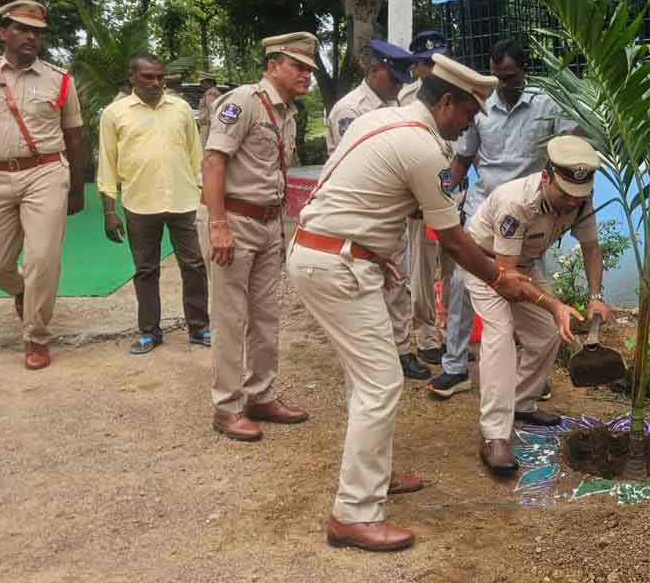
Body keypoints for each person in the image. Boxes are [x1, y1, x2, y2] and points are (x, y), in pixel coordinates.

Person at [287, 54, 566, 552]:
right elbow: (455, 243)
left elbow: (357, 193)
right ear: (446, 102)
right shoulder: (425, 148)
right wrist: (504, 279)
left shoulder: (381, 119)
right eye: (468, 113)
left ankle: (375, 473)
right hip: (337, 264)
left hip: (333, 253)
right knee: (381, 382)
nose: (472, 124)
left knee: (367, 379)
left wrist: (372, 249)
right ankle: (353, 513)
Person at [428, 38, 578, 400]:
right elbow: (462, 160)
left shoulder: (547, 104)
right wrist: (442, 193)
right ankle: (456, 367)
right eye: (497, 77)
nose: (503, 85)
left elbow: (575, 140)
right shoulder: (480, 107)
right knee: (465, 287)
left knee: (530, 291)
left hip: (530, 214)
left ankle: (532, 377)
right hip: (485, 212)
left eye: (509, 77)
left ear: (524, 71)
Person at [466, 136, 609, 472]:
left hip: (525, 266)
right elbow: (505, 276)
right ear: (546, 178)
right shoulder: (517, 203)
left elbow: (591, 248)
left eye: (578, 197)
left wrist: (595, 296)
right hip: (486, 265)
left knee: (546, 334)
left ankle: (522, 403)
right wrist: (555, 304)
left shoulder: (580, 200)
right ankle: (495, 436)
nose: (570, 204)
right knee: (500, 337)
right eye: (564, 195)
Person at [201, 32, 316, 441]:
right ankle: (226, 407)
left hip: (269, 223)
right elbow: (213, 161)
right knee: (231, 317)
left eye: (309, 69)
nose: (306, 75)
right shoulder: (243, 102)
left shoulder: (289, 113)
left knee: (267, 314)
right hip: (234, 219)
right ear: (272, 66)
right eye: (298, 66)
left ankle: (260, 395)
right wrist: (217, 225)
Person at [0, 0, 87, 371]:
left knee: (42, 257)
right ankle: (21, 291)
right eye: (22, 28)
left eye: (37, 31)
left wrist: (78, 189)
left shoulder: (59, 79)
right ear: (4, 32)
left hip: (46, 173)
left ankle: (35, 335)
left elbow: (76, 137)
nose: (32, 36)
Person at [324, 40, 437, 380]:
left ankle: (401, 350)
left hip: (389, 211)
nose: (399, 86)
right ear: (374, 71)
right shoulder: (350, 110)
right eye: (393, 79)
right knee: (363, 283)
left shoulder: (395, 104)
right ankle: (371, 353)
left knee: (395, 281)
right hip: (358, 214)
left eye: (403, 80)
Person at [97, 53, 209, 354]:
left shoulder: (182, 109)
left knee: (195, 265)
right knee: (146, 269)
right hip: (139, 204)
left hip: (183, 201)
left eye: (159, 76)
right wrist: (109, 211)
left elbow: (195, 157)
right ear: (132, 77)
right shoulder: (114, 113)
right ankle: (149, 332)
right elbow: (107, 165)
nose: (155, 82)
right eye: (148, 77)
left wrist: (204, 195)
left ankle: (199, 328)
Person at [398, 31, 454, 368]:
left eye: (440, 59)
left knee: (451, 269)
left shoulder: (455, 92)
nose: (434, 67)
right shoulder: (408, 100)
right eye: (428, 62)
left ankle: (449, 333)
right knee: (421, 269)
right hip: (420, 198)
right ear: (417, 65)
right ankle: (427, 336)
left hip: (449, 191)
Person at [197, 72, 224, 147]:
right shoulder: (213, 92)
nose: (201, 84)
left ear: (210, 82)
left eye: (203, 82)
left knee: (204, 148)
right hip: (208, 126)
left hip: (208, 127)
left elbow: (213, 110)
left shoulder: (211, 93)